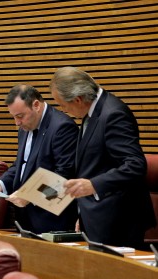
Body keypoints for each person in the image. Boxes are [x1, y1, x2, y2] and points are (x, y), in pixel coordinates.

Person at [50, 66, 155, 248]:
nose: (64, 111)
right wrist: (83, 215)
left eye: (64, 106)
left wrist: (94, 185)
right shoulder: (91, 112)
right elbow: (94, 164)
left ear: (77, 99)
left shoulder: (114, 114)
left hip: (119, 221)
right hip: (98, 217)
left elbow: (135, 165)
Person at [0, 84, 79, 233]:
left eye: (20, 116)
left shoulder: (62, 127)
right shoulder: (25, 128)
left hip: (52, 223)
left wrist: (31, 196)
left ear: (36, 105)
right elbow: (21, 167)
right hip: (25, 220)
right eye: (14, 117)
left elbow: (64, 178)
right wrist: (0, 183)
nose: (17, 123)